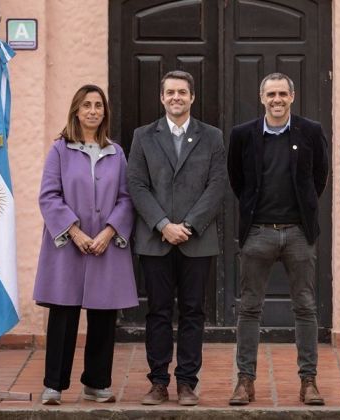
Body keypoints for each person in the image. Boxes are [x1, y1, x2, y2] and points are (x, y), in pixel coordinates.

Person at [227, 72, 329, 406]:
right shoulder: (243, 135)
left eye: (282, 94)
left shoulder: (310, 131)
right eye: (271, 94)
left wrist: (302, 214)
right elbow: (237, 180)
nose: (277, 100)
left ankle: (308, 381)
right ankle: (245, 381)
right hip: (258, 232)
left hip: (298, 233)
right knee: (250, 307)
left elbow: (318, 178)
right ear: (261, 98)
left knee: (305, 306)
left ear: (292, 96)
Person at [127, 70, 227, 406]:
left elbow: (216, 186)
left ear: (192, 97)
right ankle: (158, 382)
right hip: (155, 241)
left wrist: (190, 225)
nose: (176, 98)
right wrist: (162, 224)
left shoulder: (211, 137)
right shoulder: (143, 136)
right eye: (170, 92)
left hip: (196, 242)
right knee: (157, 313)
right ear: (161, 97)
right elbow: (137, 185)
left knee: (193, 312)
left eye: (182, 92)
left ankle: (186, 382)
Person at [33, 84, 137, 405]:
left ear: (104, 112)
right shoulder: (60, 150)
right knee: (63, 316)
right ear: (76, 111)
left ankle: (96, 383)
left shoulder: (116, 152)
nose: (93, 110)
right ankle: (54, 385)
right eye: (87, 105)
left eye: (98, 105)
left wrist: (109, 232)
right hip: (68, 245)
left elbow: (126, 198)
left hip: (105, 245)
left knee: (103, 316)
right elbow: (49, 196)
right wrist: (75, 232)